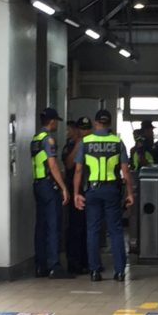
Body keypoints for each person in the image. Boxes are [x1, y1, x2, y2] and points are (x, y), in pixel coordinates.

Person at [73, 109, 135, 282]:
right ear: (109, 123)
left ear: (95, 123)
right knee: (115, 231)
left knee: (93, 230)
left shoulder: (86, 142)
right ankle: (120, 271)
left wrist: (76, 193)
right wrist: (130, 193)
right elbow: (125, 171)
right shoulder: (117, 142)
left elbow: (78, 170)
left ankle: (94, 271)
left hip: (92, 190)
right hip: (112, 190)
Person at [31, 107, 72, 279]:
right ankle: (54, 266)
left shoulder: (36, 138)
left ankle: (40, 266)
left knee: (41, 226)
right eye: (56, 121)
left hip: (38, 184)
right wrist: (63, 187)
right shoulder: (48, 140)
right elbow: (53, 165)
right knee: (53, 226)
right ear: (52, 121)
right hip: (49, 185)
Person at [64, 116, 92, 274]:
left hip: (90, 190)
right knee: (76, 227)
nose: (84, 132)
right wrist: (78, 145)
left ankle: (88, 261)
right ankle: (74, 262)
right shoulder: (71, 146)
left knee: (90, 227)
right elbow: (69, 164)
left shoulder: (93, 144)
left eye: (87, 129)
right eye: (81, 129)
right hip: (76, 191)